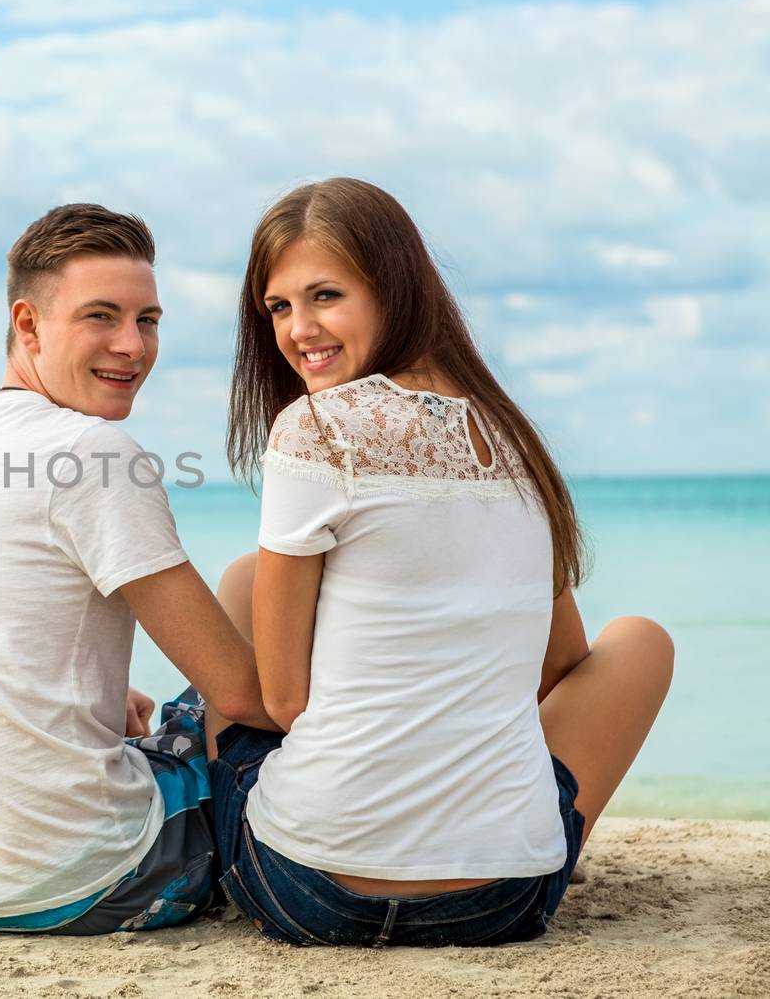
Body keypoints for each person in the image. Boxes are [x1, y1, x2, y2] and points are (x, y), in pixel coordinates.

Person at [207, 177, 674, 947]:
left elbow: (287, 704)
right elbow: (560, 664)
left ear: (394, 287)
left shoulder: (313, 427)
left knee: (240, 583)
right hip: (501, 899)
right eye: (279, 307)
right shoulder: (513, 438)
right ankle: (499, 827)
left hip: (311, 889)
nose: (298, 329)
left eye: (325, 295)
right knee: (642, 642)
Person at [0, 203, 277, 935]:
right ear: (28, 325)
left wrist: (93, 687)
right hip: (89, 875)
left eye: (149, 320)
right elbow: (244, 692)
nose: (132, 346)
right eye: (103, 316)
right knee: (250, 614)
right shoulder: (94, 453)